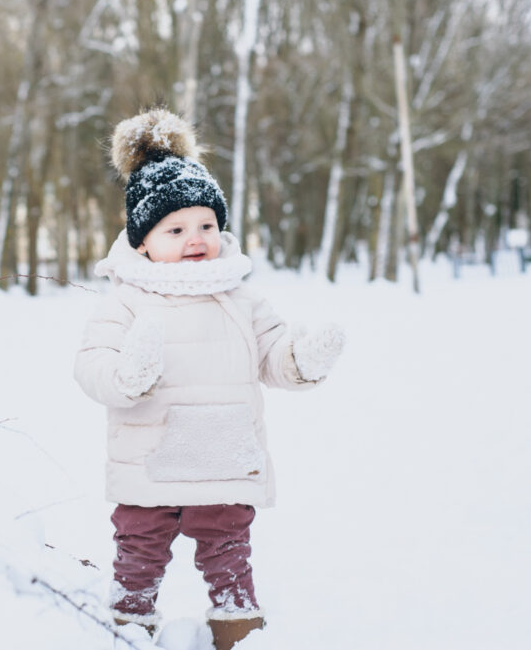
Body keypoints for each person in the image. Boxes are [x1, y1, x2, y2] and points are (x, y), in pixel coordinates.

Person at [73, 108, 344, 650]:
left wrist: (301, 361)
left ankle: (237, 628)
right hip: (149, 464)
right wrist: (127, 375)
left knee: (228, 555)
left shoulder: (241, 297)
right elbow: (91, 365)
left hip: (221, 457)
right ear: (144, 241)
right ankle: (128, 627)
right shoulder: (126, 301)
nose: (195, 238)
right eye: (175, 229)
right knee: (138, 552)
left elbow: (272, 354)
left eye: (206, 225)